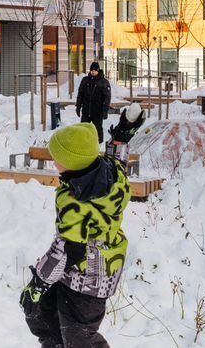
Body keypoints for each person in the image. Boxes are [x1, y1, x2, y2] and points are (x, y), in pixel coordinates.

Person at [21, 105, 146, 348]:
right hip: (78, 274)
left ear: (70, 163)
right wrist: (122, 134)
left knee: (79, 338)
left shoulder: (74, 202)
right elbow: (117, 158)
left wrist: (39, 282)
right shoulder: (111, 174)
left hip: (89, 282)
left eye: (57, 158)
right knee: (43, 316)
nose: (54, 161)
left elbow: (67, 250)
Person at [75, 62, 112, 141]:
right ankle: (83, 145)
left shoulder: (103, 82)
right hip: (86, 111)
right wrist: (78, 107)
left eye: (95, 70)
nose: (93, 72)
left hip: (97, 112)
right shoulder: (85, 80)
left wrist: (105, 111)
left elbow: (107, 98)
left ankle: (99, 145)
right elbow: (80, 94)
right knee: (83, 130)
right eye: (92, 70)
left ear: (98, 70)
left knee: (98, 130)